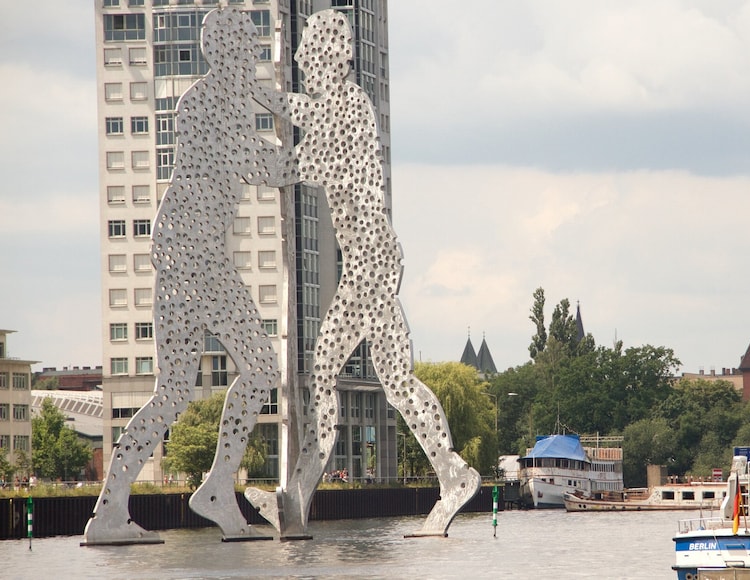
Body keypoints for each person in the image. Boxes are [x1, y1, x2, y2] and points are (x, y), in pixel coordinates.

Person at [246, 10, 480, 538]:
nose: (303, 59)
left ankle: (304, 497)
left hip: (370, 262)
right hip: (369, 262)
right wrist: (260, 91)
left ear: (335, 57)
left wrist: (242, 137)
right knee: (378, 380)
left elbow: (289, 167)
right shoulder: (338, 106)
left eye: (311, 51)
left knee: (353, 377)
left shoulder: (349, 109)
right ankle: (445, 474)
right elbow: (300, 110)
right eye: (302, 50)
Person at [84, 8, 296, 544]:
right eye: (247, 48)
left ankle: (174, 498)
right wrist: (321, 148)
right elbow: (267, 168)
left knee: (206, 384)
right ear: (224, 52)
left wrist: (278, 105)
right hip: (191, 258)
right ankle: (158, 501)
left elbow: (262, 160)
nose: (254, 57)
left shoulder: (222, 100)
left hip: (194, 257)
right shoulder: (205, 102)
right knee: (225, 379)